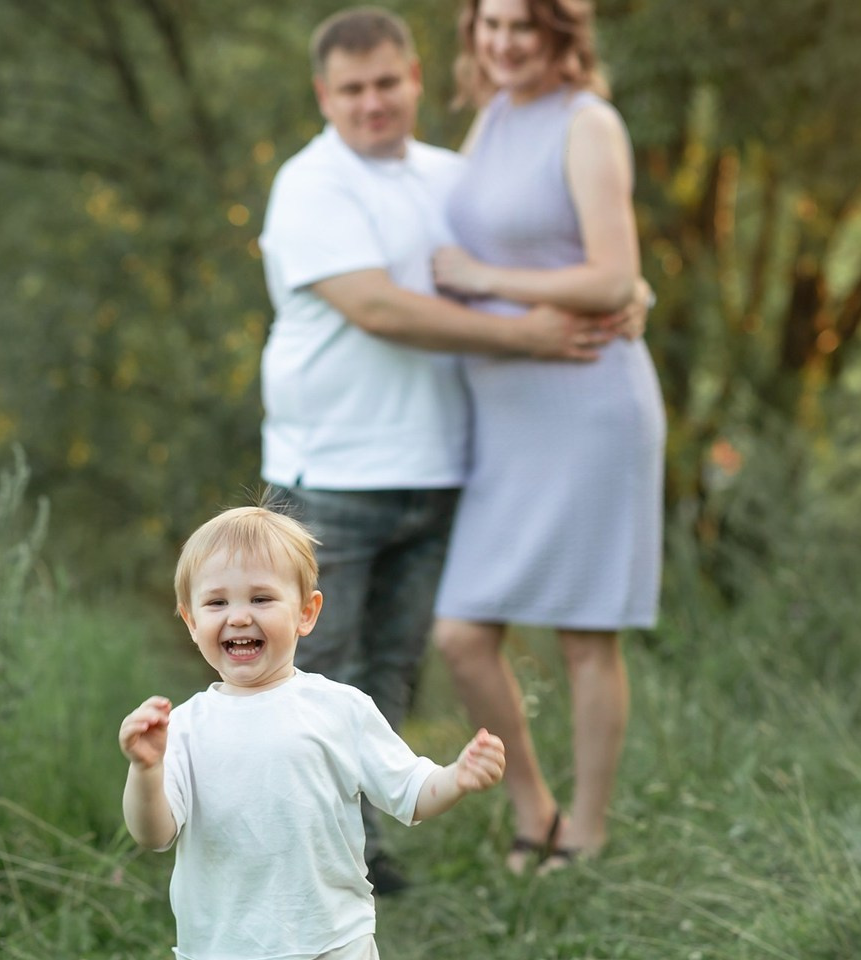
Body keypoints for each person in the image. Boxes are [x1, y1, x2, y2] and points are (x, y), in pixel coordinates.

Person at [258, 6, 637, 895]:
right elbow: (382, 308)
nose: (373, 102)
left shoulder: (449, 177)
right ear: (324, 95)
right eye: (352, 89)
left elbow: (541, 253)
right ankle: (284, 858)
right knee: (308, 672)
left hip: (441, 468)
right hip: (334, 474)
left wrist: (629, 292)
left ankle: (359, 849)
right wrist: (535, 341)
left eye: (388, 82)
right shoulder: (309, 184)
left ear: (417, 79)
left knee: (388, 672)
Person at [118, 505, 506, 960]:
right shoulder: (187, 728)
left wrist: (457, 777)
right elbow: (154, 832)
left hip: (328, 940)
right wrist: (146, 770)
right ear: (189, 618)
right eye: (217, 601)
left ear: (307, 611)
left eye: (261, 598)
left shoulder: (337, 710)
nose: (240, 617)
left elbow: (410, 793)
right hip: (226, 956)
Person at [430, 0, 667, 871]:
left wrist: (485, 277)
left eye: (521, 26)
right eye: (488, 26)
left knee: (584, 633)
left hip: (587, 404)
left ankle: (590, 840)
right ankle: (537, 808)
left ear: (560, 34)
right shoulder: (490, 120)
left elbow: (613, 274)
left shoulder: (588, 123)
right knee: (460, 634)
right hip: (505, 420)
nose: (502, 42)